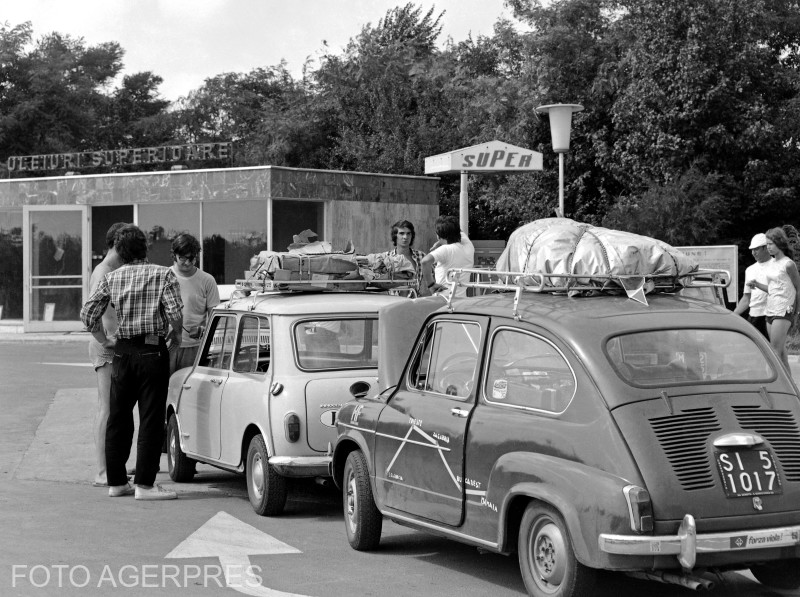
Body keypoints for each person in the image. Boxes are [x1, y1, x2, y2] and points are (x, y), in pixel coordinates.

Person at [80, 224, 183, 501]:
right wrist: (176, 335)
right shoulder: (163, 275)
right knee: (150, 419)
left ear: (120, 251)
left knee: (119, 417)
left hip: (122, 352)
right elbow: (174, 313)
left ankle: (115, 482)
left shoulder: (111, 278)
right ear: (145, 248)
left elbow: (88, 314)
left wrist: (105, 341)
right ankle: (145, 486)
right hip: (152, 350)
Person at [88, 222, 126, 487]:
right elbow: (90, 315)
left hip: (115, 346)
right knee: (107, 409)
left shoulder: (114, 270)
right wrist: (105, 340)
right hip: (105, 349)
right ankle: (102, 471)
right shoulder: (103, 272)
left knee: (116, 411)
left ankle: (113, 466)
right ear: (118, 245)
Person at [748, 227, 800, 372]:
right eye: (767, 244)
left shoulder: (788, 264)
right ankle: (790, 390)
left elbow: (798, 289)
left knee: (774, 353)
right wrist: (757, 284)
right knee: (781, 353)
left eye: (770, 244)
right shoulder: (772, 264)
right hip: (770, 310)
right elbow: (773, 289)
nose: (768, 247)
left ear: (779, 243)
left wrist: (795, 314)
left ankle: (775, 386)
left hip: (783, 310)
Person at [169, 233, 220, 373]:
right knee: (165, 390)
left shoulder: (207, 280)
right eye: (182, 258)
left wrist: (205, 332)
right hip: (168, 345)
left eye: (191, 258)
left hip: (195, 346)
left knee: (189, 388)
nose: (187, 262)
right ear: (174, 256)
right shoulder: (164, 277)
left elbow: (215, 316)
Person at [421, 216, 475, 298]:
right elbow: (457, 230)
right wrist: (439, 242)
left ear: (438, 236)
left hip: (443, 299)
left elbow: (425, 262)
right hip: (461, 300)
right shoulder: (469, 247)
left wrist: (431, 285)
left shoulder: (445, 249)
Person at [733, 233, 771, 338]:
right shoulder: (750, 270)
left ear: (766, 247)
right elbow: (746, 298)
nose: (753, 253)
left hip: (772, 315)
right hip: (754, 316)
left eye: (756, 249)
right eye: (752, 249)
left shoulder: (778, 266)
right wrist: (732, 315)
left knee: (774, 349)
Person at [388, 219, 430, 296]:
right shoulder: (387, 258)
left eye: (408, 234)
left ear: (412, 236)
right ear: (395, 236)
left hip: (416, 301)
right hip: (393, 301)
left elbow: (432, 280)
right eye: (401, 233)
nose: (405, 237)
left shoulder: (422, 256)